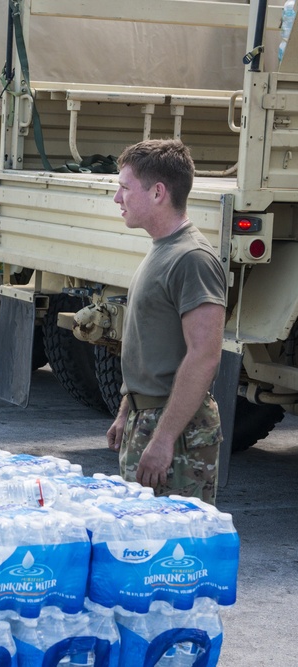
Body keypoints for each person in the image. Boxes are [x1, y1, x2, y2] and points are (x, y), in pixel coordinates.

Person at [106, 138, 227, 505]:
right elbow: (151, 343)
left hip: (177, 430)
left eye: (125, 188)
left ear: (158, 192)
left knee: (175, 552)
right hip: (149, 418)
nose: (117, 198)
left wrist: (163, 439)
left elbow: (204, 356)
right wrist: (128, 408)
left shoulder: (192, 258)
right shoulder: (163, 250)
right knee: (139, 543)